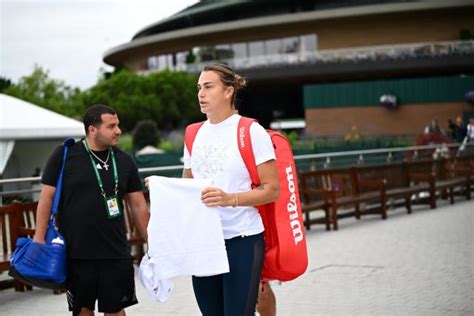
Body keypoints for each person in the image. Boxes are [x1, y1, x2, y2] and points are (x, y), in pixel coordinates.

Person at [182, 63, 280, 315]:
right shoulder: (193, 134)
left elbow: (272, 189)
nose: (200, 94)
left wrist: (230, 199)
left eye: (208, 87)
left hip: (242, 238)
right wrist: (164, 188)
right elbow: (188, 186)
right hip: (204, 241)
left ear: (228, 91)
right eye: (199, 88)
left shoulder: (251, 131)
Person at [33, 104, 149, 316]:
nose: (118, 131)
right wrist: (39, 239)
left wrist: (152, 241)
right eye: (111, 126)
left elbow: (139, 205)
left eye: (118, 125)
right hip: (77, 253)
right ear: (92, 130)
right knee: (82, 311)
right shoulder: (64, 155)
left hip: (115, 252)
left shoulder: (125, 161)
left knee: (116, 310)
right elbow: (46, 199)